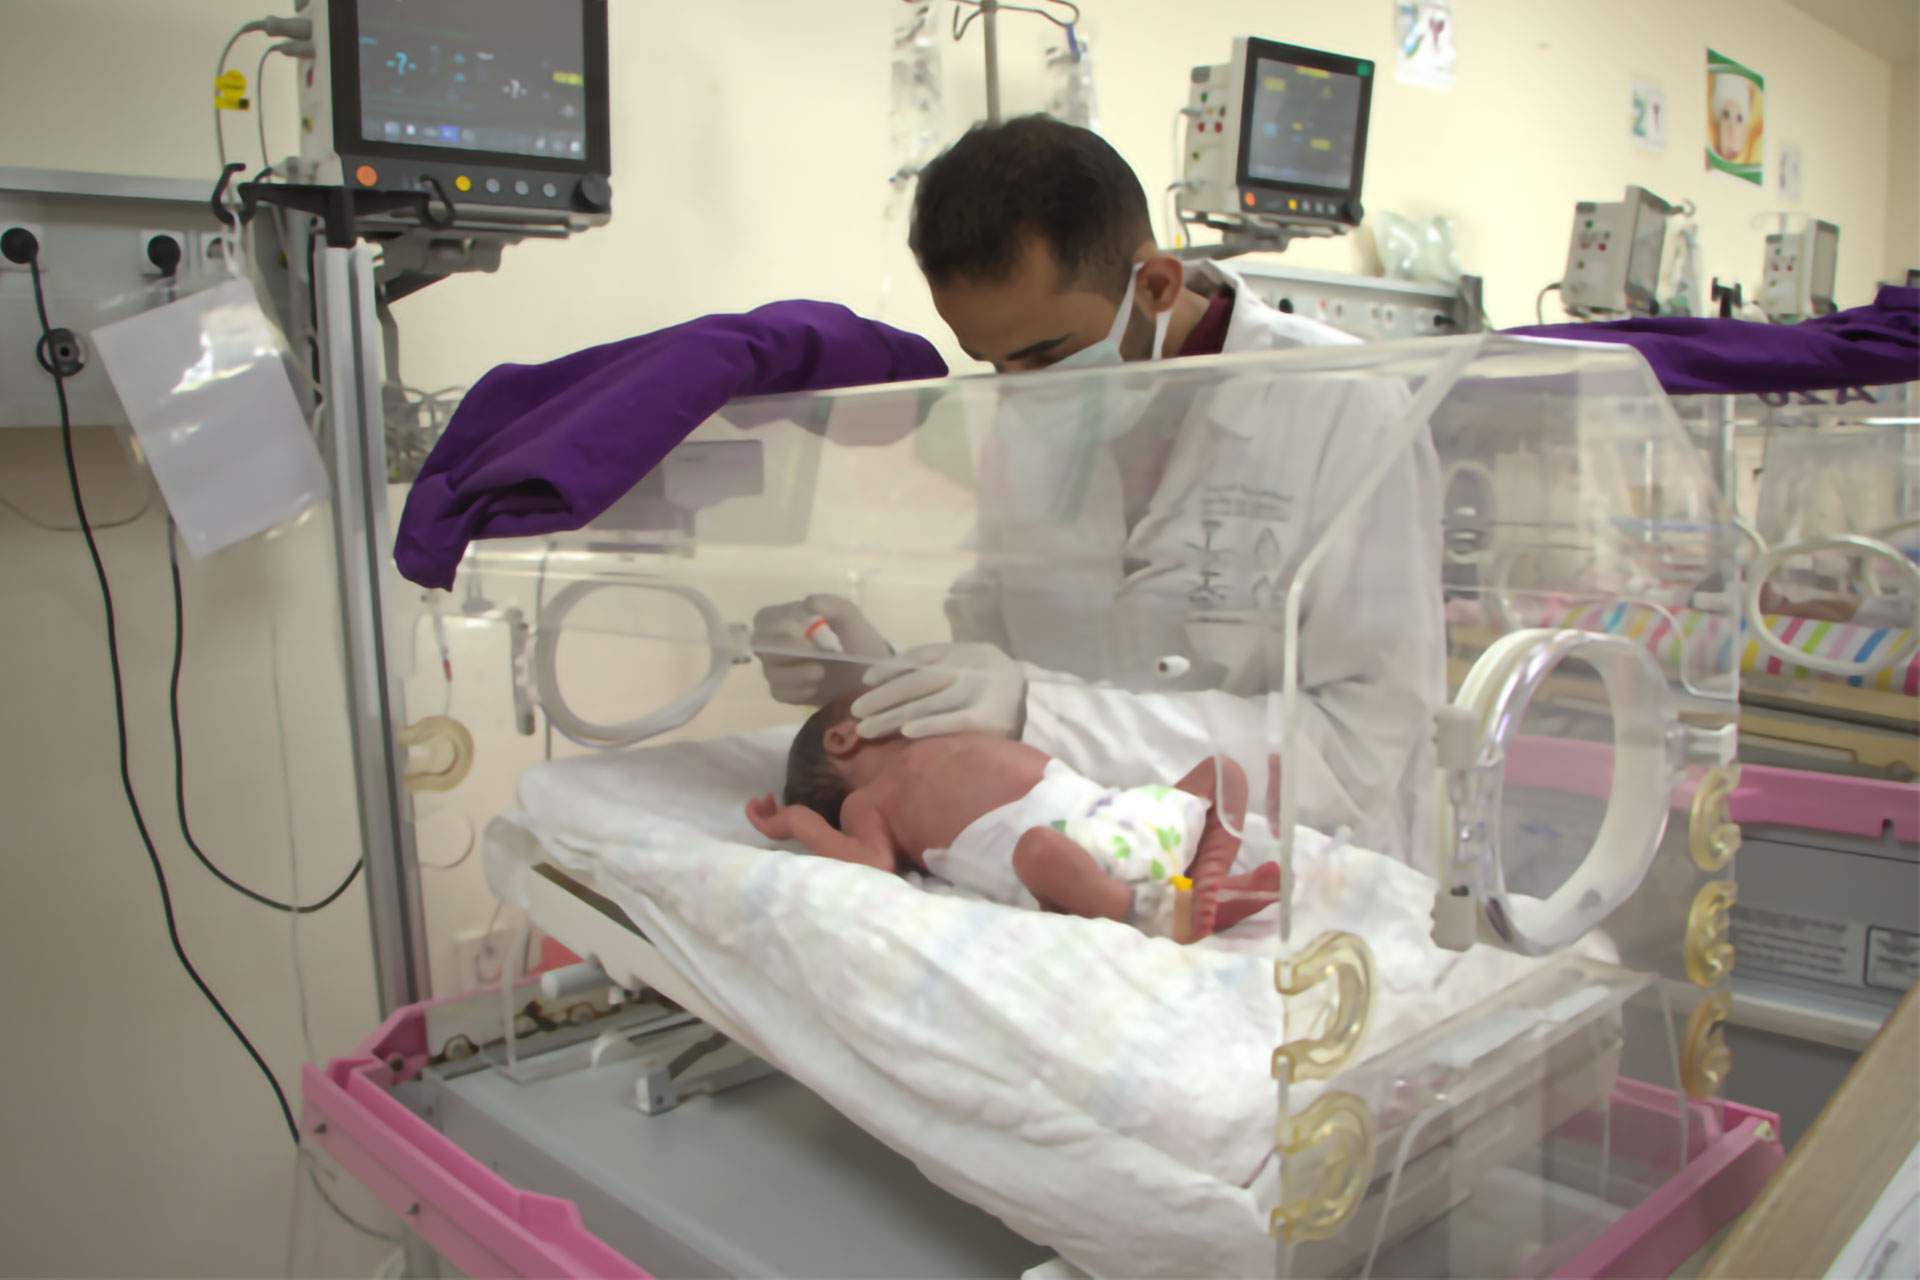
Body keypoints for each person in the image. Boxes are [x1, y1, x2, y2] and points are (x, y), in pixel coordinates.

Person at [754, 115, 1443, 861]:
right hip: (1078, 859)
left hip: (1285, 873)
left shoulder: (1342, 402)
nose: (1021, 393)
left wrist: (1038, 714)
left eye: (1049, 353)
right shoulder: (1024, 415)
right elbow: (993, 659)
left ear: (1154, 285)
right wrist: (876, 679)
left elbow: (1362, 747)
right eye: (990, 361)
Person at [743, 692, 1282, 941]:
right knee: (1039, 850)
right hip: (1067, 865)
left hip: (1118, 813)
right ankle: (1147, 909)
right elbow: (873, 862)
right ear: (843, 737)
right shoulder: (869, 800)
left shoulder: (950, 731)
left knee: (1222, 770)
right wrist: (802, 825)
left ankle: (1207, 874)